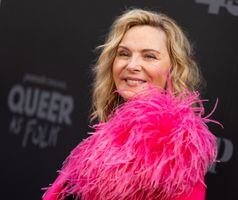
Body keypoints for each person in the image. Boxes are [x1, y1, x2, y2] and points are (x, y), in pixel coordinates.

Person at [43, 8, 218, 200]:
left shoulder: (175, 152)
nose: (132, 65)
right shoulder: (108, 135)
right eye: (124, 54)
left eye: (149, 56)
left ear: (173, 69)